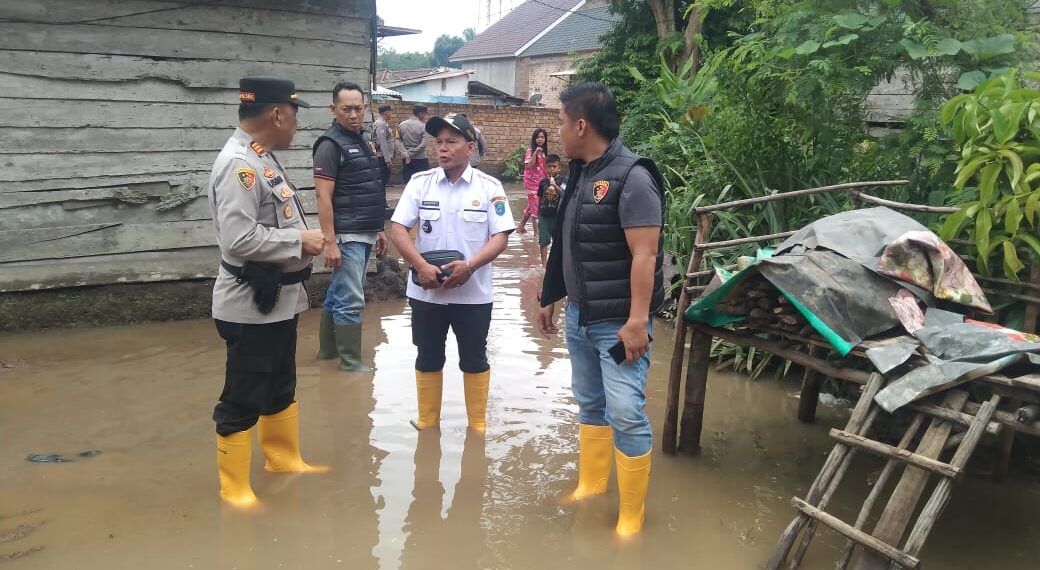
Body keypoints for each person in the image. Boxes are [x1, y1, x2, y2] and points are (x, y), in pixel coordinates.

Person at [536, 82, 665, 537]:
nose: (558, 129)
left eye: (560, 120)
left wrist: (636, 321)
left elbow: (646, 255)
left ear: (582, 124)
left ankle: (632, 513)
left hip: (618, 325)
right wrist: (550, 296)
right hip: (579, 316)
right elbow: (566, 242)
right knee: (590, 402)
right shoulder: (579, 172)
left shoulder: (633, 177)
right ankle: (592, 485)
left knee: (626, 409)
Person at [208, 76, 329, 509]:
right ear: (277, 113)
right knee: (244, 392)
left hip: (278, 302)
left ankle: (283, 460)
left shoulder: (263, 158)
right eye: (294, 115)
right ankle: (234, 487)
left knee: (280, 384)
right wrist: (301, 241)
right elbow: (237, 240)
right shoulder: (239, 165)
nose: (296, 125)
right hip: (250, 306)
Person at [388, 113, 514, 433]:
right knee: (427, 355)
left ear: (469, 147)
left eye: (451, 142)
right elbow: (399, 228)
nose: (442, 149)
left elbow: (501, 237)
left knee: (474, 358)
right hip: (427, 291)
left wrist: (470, 266)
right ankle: (428, 422)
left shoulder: (490, 188)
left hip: (473, 295)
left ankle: (478, 425)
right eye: (439, 142)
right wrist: (420, 266)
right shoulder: (420, 183)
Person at [312, 82, 389, 371]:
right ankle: (351, 362)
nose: (353, 114)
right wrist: (329, 241)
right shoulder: (329, 145)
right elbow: (323, 196)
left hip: (365, 229)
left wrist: (378, 227)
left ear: (365, 108)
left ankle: (328, 355)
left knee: (337, 293)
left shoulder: (364, 139)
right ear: (333, 110)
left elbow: (368, 186)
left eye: (358, 108)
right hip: (347, 234)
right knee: (350, 296)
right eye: (346, 109)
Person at [515, 128, 548, 236]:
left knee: (532, 206)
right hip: (532, 184)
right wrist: (535, 153)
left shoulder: (544, 153)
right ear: (534, 139)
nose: (540, 139)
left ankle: (520, 227)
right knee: (536, 210)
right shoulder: (530, 151)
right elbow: (529, 166)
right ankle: (536, 236)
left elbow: (544, 169)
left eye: (542, 137)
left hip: (541, 184)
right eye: (538, 137)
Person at [536, 153, 563, 267]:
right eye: (549, 166)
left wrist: (555, 186)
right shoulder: (543, 182)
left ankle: (556, 264)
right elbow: (539, 198)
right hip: (544, 215)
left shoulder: (563, 181)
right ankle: (544, 265)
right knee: (543, 241)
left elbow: (564, 194)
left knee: (557, 241)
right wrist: (538, 215)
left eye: (554, 166)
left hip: (557, 216)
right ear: (545, 168)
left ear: (559, 168)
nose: (551, 169)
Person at [397, 104, 432, 185]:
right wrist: (413, 152)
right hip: (420, 158)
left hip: (406, 158)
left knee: (409, 181)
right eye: (424, 114)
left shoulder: (401, 125)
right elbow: (423, 144)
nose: (425, 116)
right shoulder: (424, 126)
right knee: (422, 182)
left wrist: (406, 153)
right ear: (420, 113)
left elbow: (398, 140)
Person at [373, 104, 395, 187]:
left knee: (383, 181)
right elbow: (382, 142)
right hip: (382, 157)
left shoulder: (383, 123)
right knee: (382, 181)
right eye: (390, 112)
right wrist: (387, 160)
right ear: (386, 112)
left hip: (383, 156)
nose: (391, 114)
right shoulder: (381, 124)